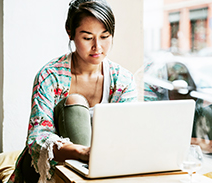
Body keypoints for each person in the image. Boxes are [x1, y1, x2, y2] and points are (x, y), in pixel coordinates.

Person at [7, 0, 141, 182]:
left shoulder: (123, 80)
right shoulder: (50, 76)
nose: (97, 47)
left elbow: (127, 133)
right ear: (70, 32)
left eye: (105, 36)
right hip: (44, 173)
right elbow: (37, 139)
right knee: (75, 102)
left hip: (100, 171)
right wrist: (81, 152)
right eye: (87, 38)